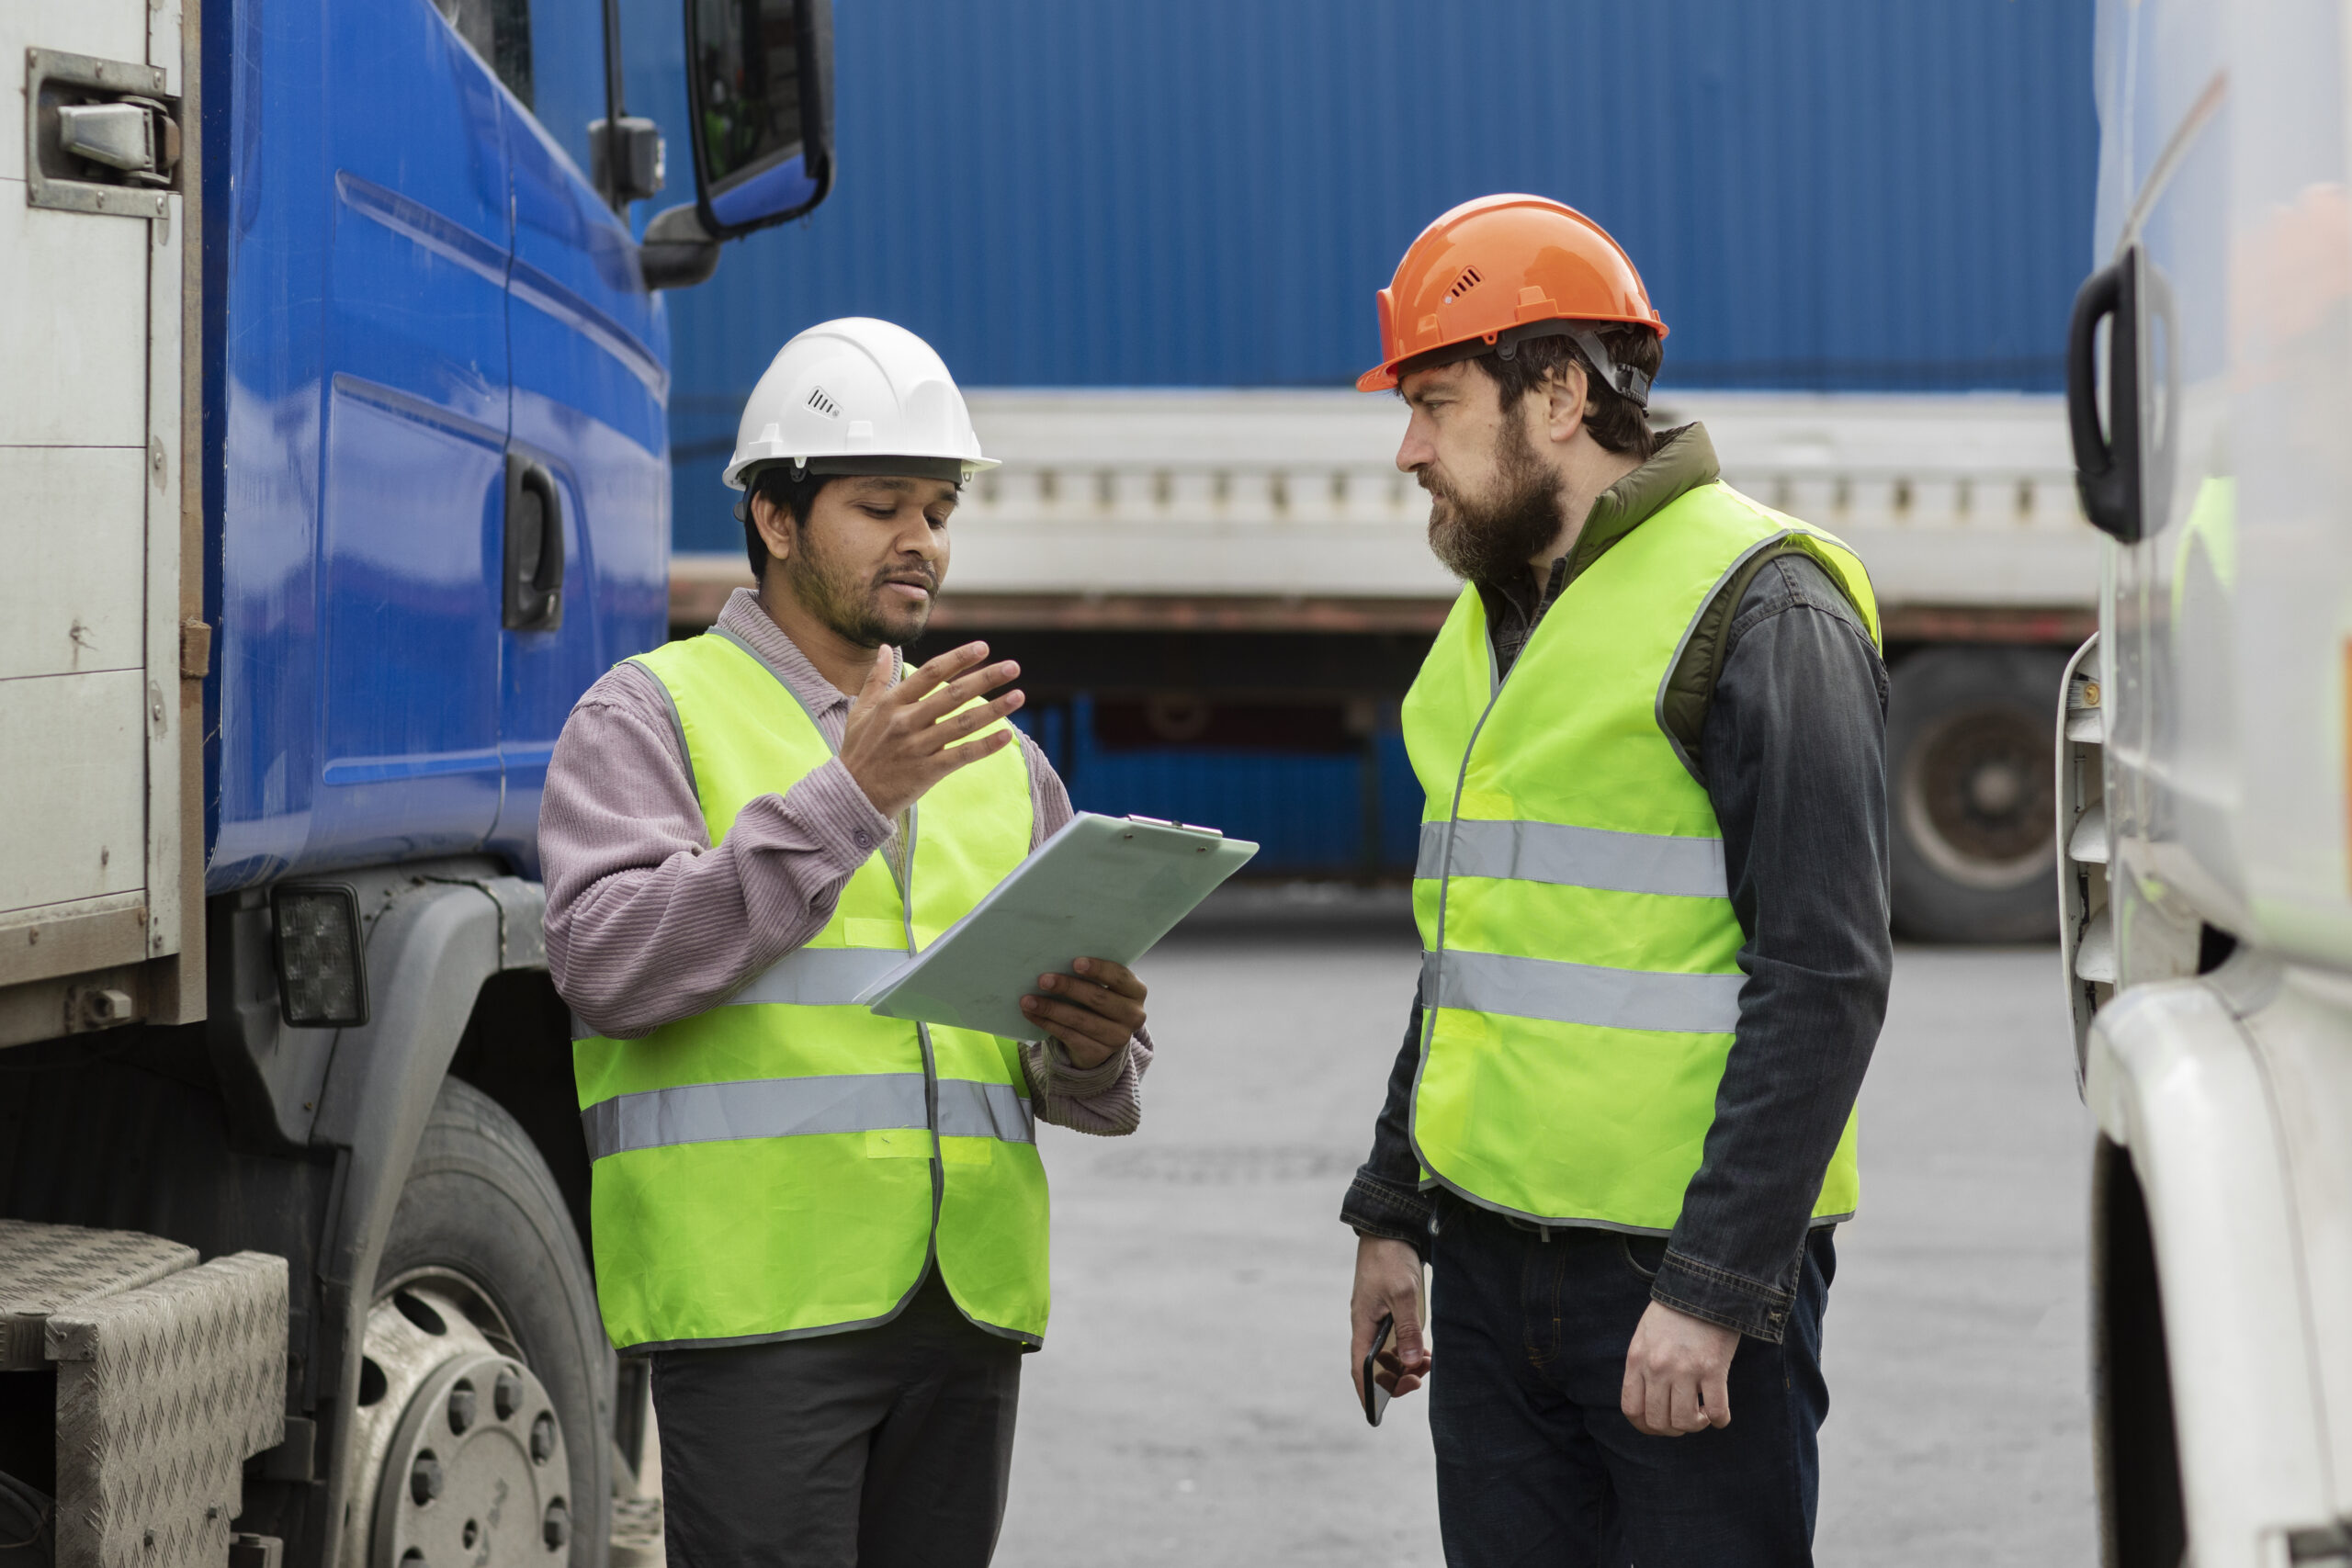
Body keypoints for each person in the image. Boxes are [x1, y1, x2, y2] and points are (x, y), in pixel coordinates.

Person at [541, 318, 1153, 1568]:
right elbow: (606, 965)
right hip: (757, 1310)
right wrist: (846, 802)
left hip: (965, 1310)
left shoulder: (1003, 760)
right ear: (775, 518)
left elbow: (1085, 1085)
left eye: (937, 507)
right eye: (881, 505)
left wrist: (1091, 1052)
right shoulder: (647, 715)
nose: (920, 539)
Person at [1340, 196, 1892, 1565]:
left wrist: (1711, 1290)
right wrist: (1394, 1216)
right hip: (1486, 1271)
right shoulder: (1490, 626)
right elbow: (1473, 953)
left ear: (1561, 392)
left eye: (1436, 403)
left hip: (1678, 1284)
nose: (1407, 450)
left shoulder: (1764, 605)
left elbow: (1824, 978)